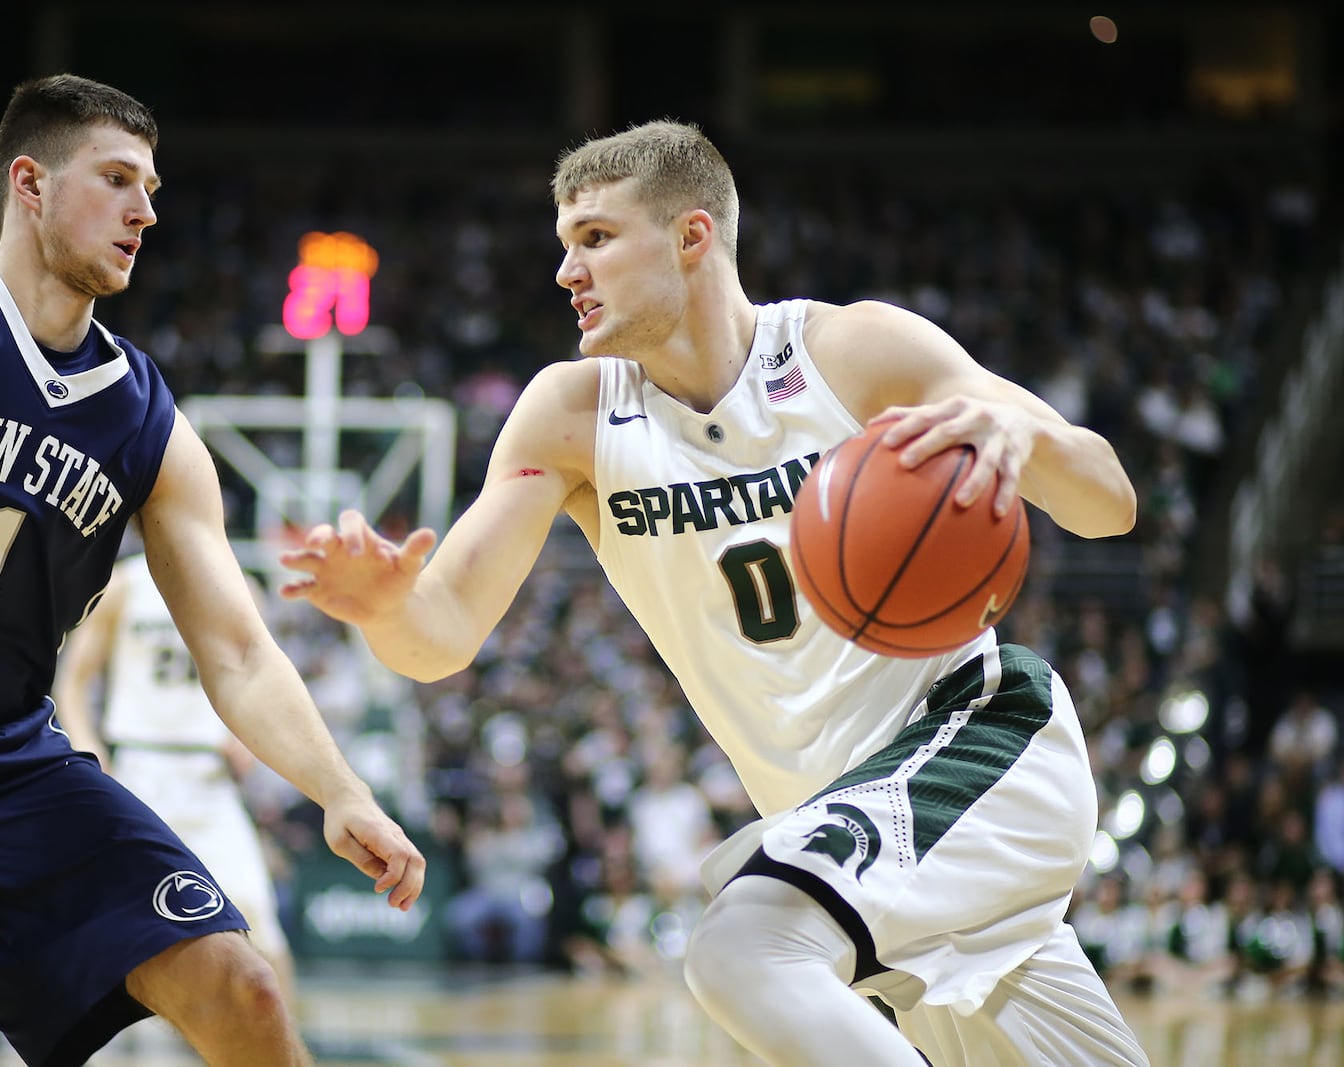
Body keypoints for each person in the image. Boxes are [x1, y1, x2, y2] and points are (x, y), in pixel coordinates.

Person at [280, 120, 1146, 1065]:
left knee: (746, 946)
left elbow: (1110, 503)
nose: (569, 271)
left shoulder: (853, 353)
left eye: (598, 240)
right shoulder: (572, 417)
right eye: (564, 245)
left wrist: (1034, 441)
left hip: (977, 740)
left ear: (692, 236)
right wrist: (382, 608)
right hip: (853, 821)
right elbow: (439, 638)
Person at [0, 74, 424, 1067]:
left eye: (150, 186)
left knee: (243, 984)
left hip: (3, 761)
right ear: (30, 182)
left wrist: (342, 790)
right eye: (117, 179)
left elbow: (235, 650)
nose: (146, 209)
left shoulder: (147, 421)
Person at [52, 551, 300, 1027]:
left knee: (261, 926)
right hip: (138, 771)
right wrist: (87, 747)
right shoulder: (123, 584)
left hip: (209, 777)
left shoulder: (241, 585)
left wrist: (250, 735)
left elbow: (261, 676)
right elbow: (74, 681)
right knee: (95, 926)